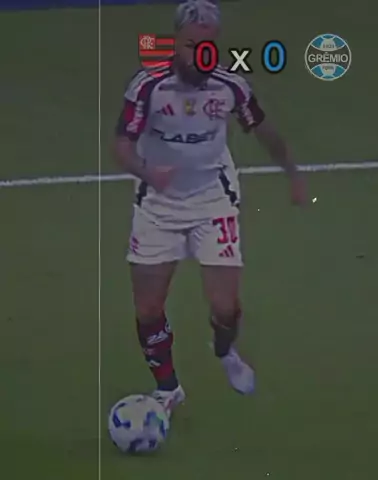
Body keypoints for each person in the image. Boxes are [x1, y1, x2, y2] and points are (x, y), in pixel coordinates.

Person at [113, 0, 307, 415]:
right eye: (191, 44)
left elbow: (264, 130)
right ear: (176, 42)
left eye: (207, 45)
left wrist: (293, 173)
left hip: (212, 200)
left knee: (225, 307)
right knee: (147, 308)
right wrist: (147, 172)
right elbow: (122, 145)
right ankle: (168, 389)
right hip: (158, 204)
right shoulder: (147, 86)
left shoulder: (230, 86)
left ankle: (225, 352)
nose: (199, 54)